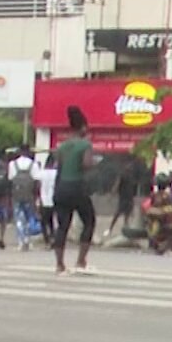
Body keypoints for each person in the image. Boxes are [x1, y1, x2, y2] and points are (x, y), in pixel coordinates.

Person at [51, 105, 100, 276]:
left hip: (62, 188)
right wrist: (96, 163)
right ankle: (81, 260)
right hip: (77, 187)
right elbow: (86, 164)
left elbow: (59, 167)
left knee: (62, 226)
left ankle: (59, 264)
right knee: (89, 221)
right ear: (83, 128)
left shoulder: (62, 146)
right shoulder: (85, 144)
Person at [11, 153, 40, 252]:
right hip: (29, 195)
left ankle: (20, 241)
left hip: (16, 195)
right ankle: (28, 240)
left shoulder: (13, 164)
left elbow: (11, 180)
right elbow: (37, 181)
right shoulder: (34, 164)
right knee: (29, 218)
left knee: (19, 218)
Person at [145, 172, 172, 253]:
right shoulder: (167, 195)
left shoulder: (155, 195)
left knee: (154, 230)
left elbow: (151, 206)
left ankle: (157, 246)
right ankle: (163, 246)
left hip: (159, 218)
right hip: (162, 218)